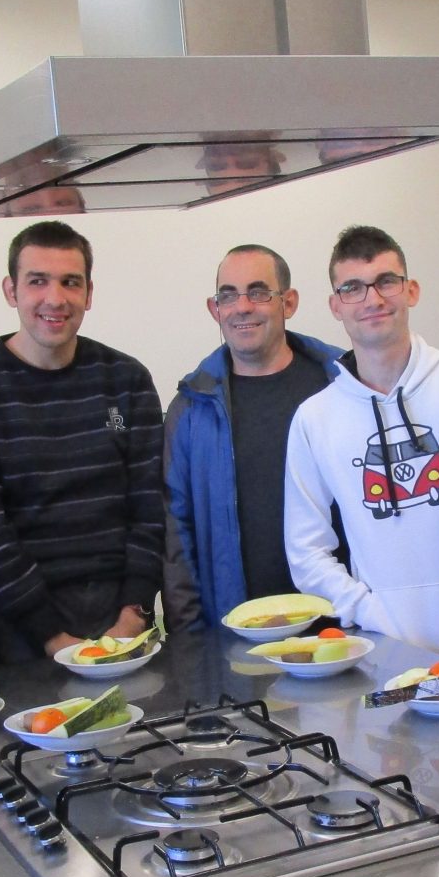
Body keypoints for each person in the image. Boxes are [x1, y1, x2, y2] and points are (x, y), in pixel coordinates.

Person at [0, 220, 166, 660]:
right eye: (37, 281)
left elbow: (149, 504)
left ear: (89, 293)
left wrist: (133, 614)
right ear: (11, 290)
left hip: (124, 617)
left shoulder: (126, 379)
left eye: (70, 283)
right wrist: (50, 636)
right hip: (19, 627)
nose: (55, 299)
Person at [283, 224, 439, 656]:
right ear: (335, 306)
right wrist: (367, 610)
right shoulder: (314, 419)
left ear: (411, 290)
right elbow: (305, 551)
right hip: (385, 646)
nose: (372, 299)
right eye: (352, 288)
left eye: (386, 282)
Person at [162, 245, 341, 631]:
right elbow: (177, 537)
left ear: (288, 302)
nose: (242, 306)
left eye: (259, 292)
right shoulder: (192, 410)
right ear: (215, 309)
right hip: (240, 636)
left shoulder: (341, 386)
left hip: (345, 627)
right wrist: (190, 642)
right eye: (228, 295)